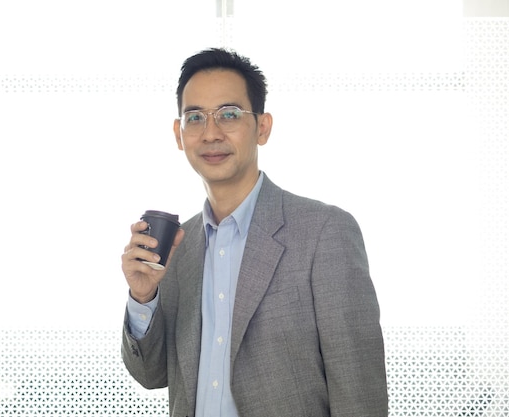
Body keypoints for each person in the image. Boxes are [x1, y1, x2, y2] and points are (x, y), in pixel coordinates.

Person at [120, 47, 388, 417]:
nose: (210, 133)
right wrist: (143, 296)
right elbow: (152, 376)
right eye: (195, 117)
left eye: (229, 114)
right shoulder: (178, 247)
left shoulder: (324, 231)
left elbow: (359, 392)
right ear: (179, 135)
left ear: (262, 127)